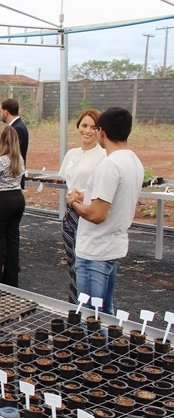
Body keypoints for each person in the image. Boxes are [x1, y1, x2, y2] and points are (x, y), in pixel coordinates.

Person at [67, 107, 143, 314]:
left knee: (90, 316)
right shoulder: (133, 160)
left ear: (102, 132)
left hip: (95, 251)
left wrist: (74, 202)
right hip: (111, 247)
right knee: (105, 313)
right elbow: (113, 199)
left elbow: (97, 215)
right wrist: (87, 197)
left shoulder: (108, 165)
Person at [58, 109, 106, 304]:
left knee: (84, 264)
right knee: (72, 263)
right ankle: (74, 306)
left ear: (100, 130)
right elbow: (68, 181)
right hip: (71, 213)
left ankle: (86, 309)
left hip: (88, 213)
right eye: (84, 125)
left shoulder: (103, 155)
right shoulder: (72, 153)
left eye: (93, 127)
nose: (87, 131)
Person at [0, 126, 26, 287]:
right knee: (13, 238)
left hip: (2, 200)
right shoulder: (19, 159)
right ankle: (11, 279)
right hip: (17, 198)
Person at [0, 98, 29, 188]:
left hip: (12, 178)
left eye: (0, 111)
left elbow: (11, 153)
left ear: (5, 112)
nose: (0, 114)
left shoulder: (17, 128)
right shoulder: (17, 126)